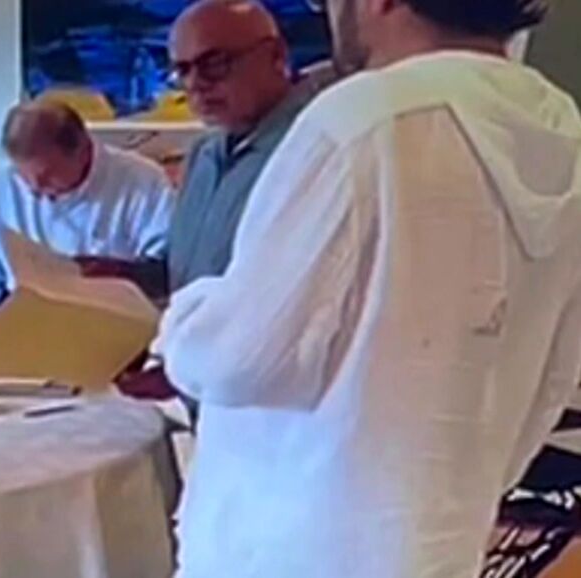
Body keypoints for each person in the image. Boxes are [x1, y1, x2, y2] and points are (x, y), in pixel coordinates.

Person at [155, 0, 581, 575]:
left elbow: (239, 358)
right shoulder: (561, 129)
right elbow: (555, 372)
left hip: (291, 549)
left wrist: (179, 322)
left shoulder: (362, 120)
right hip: (437, 539)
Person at [118, 0, 336, 399]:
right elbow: (194, 271)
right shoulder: (202, 156)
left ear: (276, 56)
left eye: (214, 64)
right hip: (200, 397)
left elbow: (303, 301)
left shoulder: (315, 149)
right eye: (182, 70)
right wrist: (123, 276)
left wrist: (182, 373)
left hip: (268, 404)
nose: (196, 84)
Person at [0, 100, 174, 334]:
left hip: (116, 328)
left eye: (47, 175)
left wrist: (118, 273)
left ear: (83, 151)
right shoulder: (2, 188)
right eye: (23, 176)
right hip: (30, 328)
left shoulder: (144, 182)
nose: (34, 190)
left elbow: (167, 273)